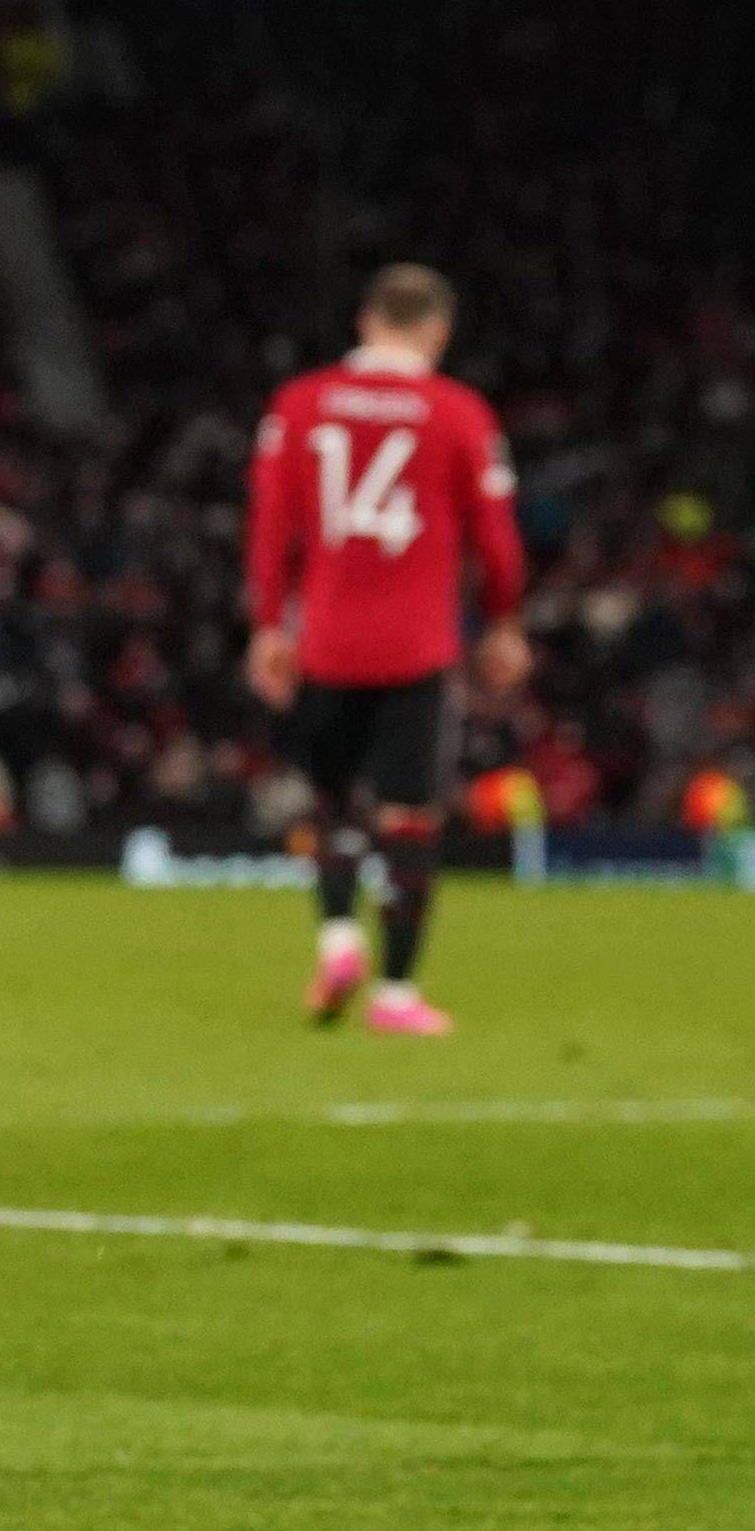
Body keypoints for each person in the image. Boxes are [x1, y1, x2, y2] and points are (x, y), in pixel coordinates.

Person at [243, 263, 531, 1035]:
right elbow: (498, 542)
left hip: (327, 641)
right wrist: (503, 621)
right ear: (437, 332)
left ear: (365, 324)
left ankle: (337, 938)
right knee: (409, 818)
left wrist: (271, 623)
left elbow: (272, 526)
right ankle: (397, 993)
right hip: (417, 646)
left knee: (331, 802)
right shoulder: (459, 413)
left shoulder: (299, 405)